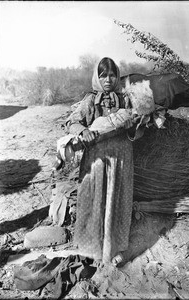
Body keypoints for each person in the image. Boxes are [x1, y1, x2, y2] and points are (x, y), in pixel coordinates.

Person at [65, 57, 136, 266]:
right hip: (97, 159)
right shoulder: (90, 99)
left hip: (121, 159)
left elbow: (134, 123)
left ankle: (114, 248)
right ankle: (92, 249)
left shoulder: (125, 98)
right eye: (103, 75)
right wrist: (83, 131)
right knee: (95, 198)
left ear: (117, 77)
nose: (108, 79)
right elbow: (71, 122)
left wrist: (135, 120)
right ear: (97, 76)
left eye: (112, 75)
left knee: (117, 200)